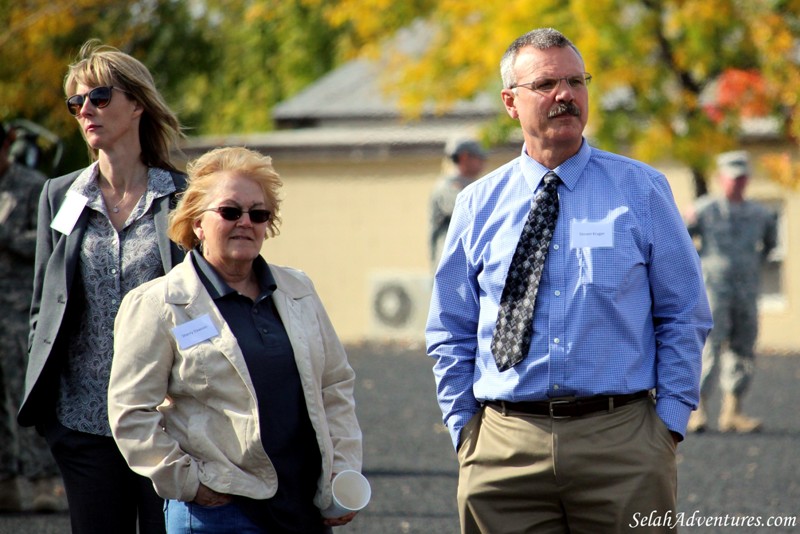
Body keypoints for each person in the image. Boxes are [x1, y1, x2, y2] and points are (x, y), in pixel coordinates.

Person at [425, 28, 712, 533]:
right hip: (503, 450)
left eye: (577, 81)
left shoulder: (642, 190)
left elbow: (683, 311)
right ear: (510, 102)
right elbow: (450, 326)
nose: (566, 95)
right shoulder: (477, 203)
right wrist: (466, 431)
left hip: (623, 444)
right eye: (548, 83)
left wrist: (667, 425)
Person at [107, 146, 363, 534]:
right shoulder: (158, 304)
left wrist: (341, 472)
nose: (246, 222)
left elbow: (335, 386)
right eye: (230, 211)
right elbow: (130, 412)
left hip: (301, 509)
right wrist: (189, 483)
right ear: (196, 223)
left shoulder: (298, 290)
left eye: (258, 214)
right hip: (217, 515)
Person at [18, 40, 186, 533]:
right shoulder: (59, 195)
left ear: (137, 105)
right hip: (81, 422)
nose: (85, 110)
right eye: (76, 103)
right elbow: (42, 305)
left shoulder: (181, 195)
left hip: (165, 422)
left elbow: (204, 304)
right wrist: (53, 420)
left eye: (99, 98)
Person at [686, 150, 777, 433]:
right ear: (720, 178)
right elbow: (680, 241)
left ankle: (733, 412)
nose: (736, 183)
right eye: (731, 177)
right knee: (709, 348)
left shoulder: (761, 214)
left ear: (747, 179)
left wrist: (750, 268)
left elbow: (770, 246)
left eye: (741, 178)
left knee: (742, 347)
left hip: (746, 291)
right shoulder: (704, 210)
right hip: (713, 291)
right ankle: (697, 410)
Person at [0, 123, 65, 513]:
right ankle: (5, 482)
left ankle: (45, 482)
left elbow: (52, 241)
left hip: (19, 310)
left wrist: (6, 236)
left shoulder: (35, 186)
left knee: (24, 395)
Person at [429, 137, 487, 268]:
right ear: (464, 157)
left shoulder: (472, 185)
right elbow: (471, 213)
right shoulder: (447, 186)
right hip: (452, 262)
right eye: (479, 157)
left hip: (468, 260)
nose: (483, 162)